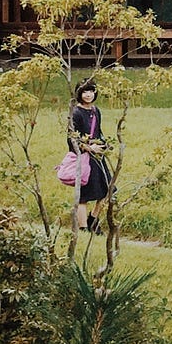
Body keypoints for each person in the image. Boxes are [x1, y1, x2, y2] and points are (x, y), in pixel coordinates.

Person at [68, 79, 110, 233]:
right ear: (79, 93)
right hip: (84, 157)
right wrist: (88, 147)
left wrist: (104, 145)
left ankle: (93, 219)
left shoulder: (95, 110)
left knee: (107, 190)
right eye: (85, 91)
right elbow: (71, 139)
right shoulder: (76, 113)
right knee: (84, 195)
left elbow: (98, 132)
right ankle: (84, 228)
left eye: (91, 91)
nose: (88, 95)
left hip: (98, 157)